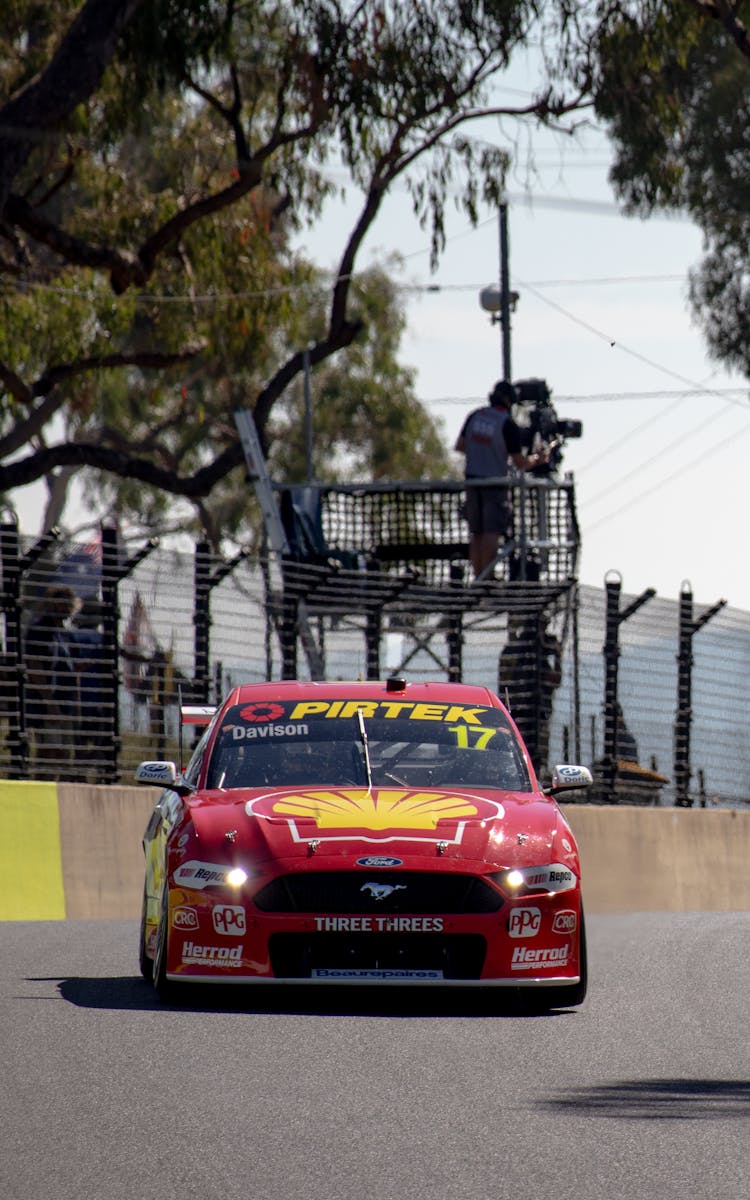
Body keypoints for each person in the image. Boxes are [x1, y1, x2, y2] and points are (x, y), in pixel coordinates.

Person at [454, 379, 549, 578]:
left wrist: (481, 452)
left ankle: (478, 577)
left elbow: (461, 445)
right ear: (509, 401)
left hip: (472, 482)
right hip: (494, 483)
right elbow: (520, 462)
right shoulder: (506, 423)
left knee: (476, 533)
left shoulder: (475, 416)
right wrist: (538, 459)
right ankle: (485, 579)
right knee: (490, 532)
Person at [24, 584, 81, 778]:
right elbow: (35, 668)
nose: (66, 609)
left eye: (68, 605)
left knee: (64, 754)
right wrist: (49, 703)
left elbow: (74, 668)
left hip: (66, 703)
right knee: (50, 751)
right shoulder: (40, 631)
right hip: (47, 704)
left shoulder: (65, 634)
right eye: (62, 604)